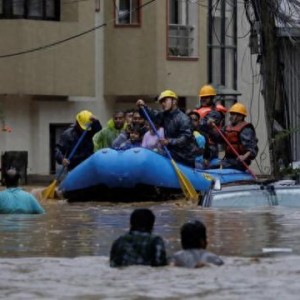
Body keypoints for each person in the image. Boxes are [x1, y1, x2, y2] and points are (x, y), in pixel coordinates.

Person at [136, 90, 199, 167]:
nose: (162, 104)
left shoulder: (184, 119)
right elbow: (153, 114)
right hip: (171, 154)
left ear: (174, 101)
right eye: (161, 102)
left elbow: (185, 138)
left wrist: (169, 141)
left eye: (165, 101)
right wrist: (143, 107)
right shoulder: (165, 116)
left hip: (185, 157)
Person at [211, 102, 258, 171]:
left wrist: (244, 156)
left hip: (239, 161)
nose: (234, 116)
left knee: (229, 166)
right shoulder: (227, 127)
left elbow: (252, 148)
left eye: (237, 115)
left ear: (242, 117)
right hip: (228, 160)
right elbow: (218, 139)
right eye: (232, 114)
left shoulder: (246, 129)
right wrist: (212, 128)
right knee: (214, 165)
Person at [195, 84, 227, 161]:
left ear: (212, 98)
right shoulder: (198, 111)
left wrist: (195, 121)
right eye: (202, 97)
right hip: (197, 143)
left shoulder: (216, 113)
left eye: (206, 97)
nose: (203, 99)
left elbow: (204, 124)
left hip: (210, 146)